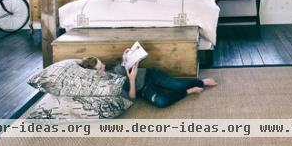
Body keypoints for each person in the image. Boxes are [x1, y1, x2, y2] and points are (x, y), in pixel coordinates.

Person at [78, 56, 217, 108]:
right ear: (95, 73)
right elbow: (132, 98)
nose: (104, 66)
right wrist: (132, 80)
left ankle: (202, 82)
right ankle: (188, 91)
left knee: (177, 85)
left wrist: (126, 57)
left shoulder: (112, 69)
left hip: (149, 75)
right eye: (100, 68)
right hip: (143, 90)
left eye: (102, 64)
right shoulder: (108, 86)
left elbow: (124, 65)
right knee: (162, 102)